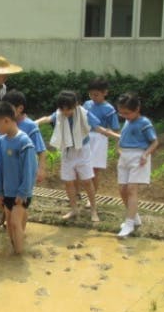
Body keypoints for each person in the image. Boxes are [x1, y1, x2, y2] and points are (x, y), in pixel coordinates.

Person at [36, 91, 119, 222]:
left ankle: (93, 210)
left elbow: (99, 129)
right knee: (68, 182)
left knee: (87, 181)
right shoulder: (59, 114)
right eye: (62, 109)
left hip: (82, 151)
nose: (65, 112)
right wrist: (34, 123)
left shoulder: (84, 113)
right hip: (67, 151)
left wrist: (117, 136)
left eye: (68, 109)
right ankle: (74, 209)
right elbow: (47, 118)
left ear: (75, 105)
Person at [0, 102, 38, 254]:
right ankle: (14, 249)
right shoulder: (2, 141)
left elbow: (29, 169)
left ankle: (19, 255)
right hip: (7, 191)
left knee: (15, 223)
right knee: (10, 225)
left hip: (20, 193)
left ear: (6, 120)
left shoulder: (24, 142)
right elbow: (0, 167)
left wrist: (23, 192)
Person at [115, 92, 159, 238]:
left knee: (132, 189)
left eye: (127, 113)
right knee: (122, 189)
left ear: (137, 109)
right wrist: (119, 149)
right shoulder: (127, 121)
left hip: (138, 156)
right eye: (121, 113)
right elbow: (122, 137)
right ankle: (135, 218)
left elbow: (154, 142)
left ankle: (129, 224)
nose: (124, 116)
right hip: (125, 157)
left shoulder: (144, 123)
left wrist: (146, 155)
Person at [3, 89, 47, 231]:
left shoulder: (30, 126)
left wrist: (41, 169)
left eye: (8, 108)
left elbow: (41, 150)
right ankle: (12, 225)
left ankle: (19, 232)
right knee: (9, 200)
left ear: (20, 108)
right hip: (9, 171)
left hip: (25, 172)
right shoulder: (6, 123)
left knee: (21, 202)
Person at [83, 77, 120, 194]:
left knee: (94, 169)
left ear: (105, 93)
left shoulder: (109, 109)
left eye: (96, 95)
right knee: (82, 167)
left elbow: (115, 128)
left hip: (100, 139)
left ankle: (92, 196)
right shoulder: (87, 105)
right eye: (91, 95)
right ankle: (82, 192)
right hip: (85, 136)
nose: (93, 97)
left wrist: (118, 146)